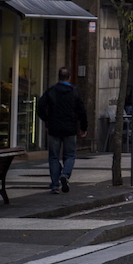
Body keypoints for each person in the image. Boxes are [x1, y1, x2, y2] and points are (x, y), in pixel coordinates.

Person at [36, 66, 88, 194]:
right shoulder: (75, 91)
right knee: (70, 155)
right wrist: (83, 127)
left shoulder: (51, 91)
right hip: (70, 128)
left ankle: (55, 185)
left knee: (54, 157)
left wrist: (47, 120)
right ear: (69, 78)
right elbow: (82, 111)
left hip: (54, 128)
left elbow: (40, 106)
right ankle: (65, 174)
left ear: (58, 77)